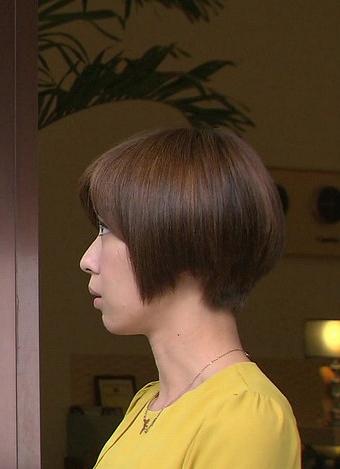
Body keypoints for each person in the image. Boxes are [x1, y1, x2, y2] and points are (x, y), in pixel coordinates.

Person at [78, 127, 301, 468]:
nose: (87, 260)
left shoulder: (244, 415)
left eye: (108, 229)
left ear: (180, 238)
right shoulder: (147, 403)